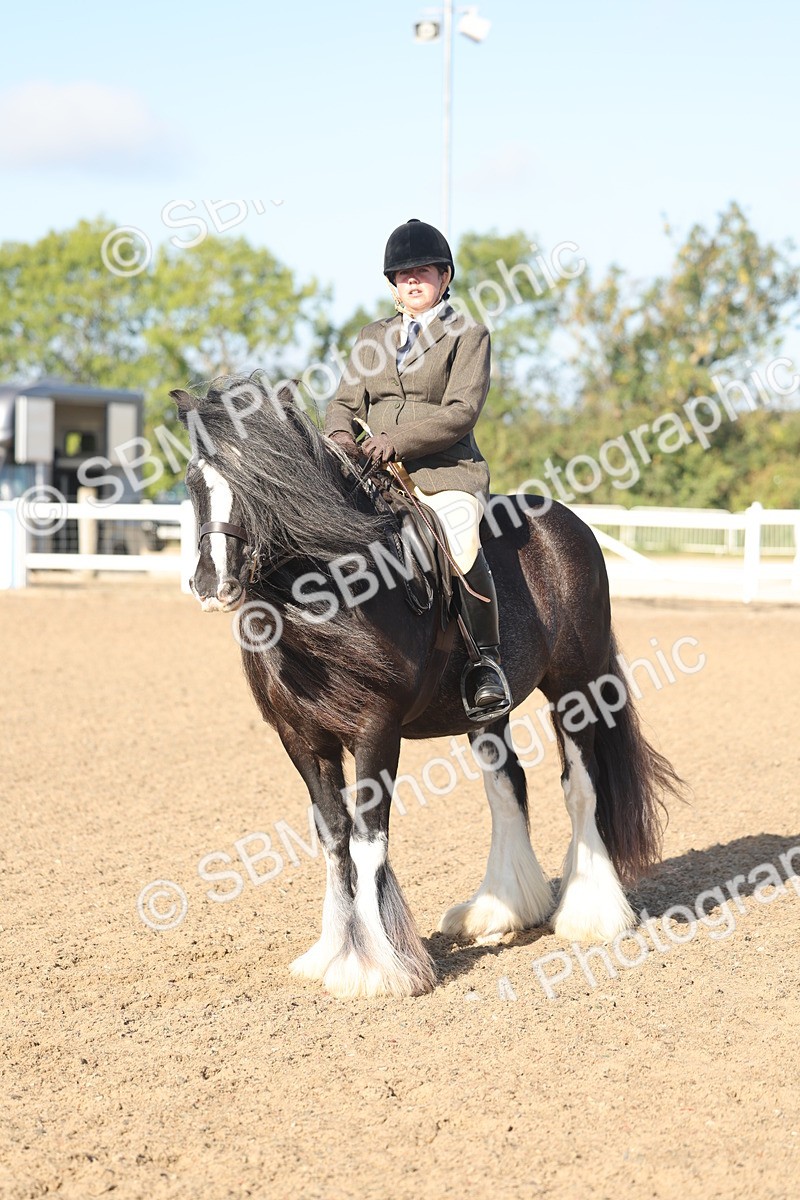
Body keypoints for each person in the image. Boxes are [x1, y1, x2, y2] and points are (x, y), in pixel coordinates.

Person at [325, 217, 510, 715]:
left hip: (443, 474)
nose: (412, 280)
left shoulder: (468, 335)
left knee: (460, 537)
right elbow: (343, 401)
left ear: (444, 277)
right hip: (371, 471)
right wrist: (342, 435)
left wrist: (396, 440)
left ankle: (484, 664)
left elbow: (460, 412)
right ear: (393, 284)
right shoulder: (372, 336)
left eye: (422, 271)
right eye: (402, 274)